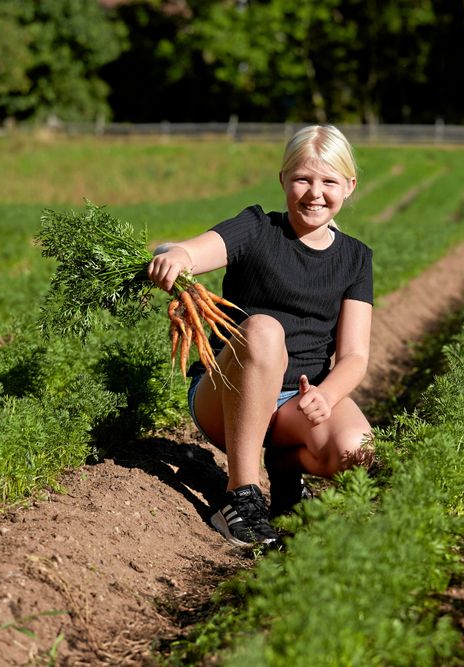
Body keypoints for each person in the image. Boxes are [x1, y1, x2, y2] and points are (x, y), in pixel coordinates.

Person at [147, 125, 374, 548]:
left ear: (349, 185)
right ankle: (240, 496)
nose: (315, 193)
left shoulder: (356, 258)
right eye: (303, 179)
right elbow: (195, 251)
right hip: (225, 394)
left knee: (355, 450)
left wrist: (325, 395)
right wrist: (176, 255)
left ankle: (284, 470)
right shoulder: (256, 229)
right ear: (284, 179)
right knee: (266, 331)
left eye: (329, 182)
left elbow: (355, 355)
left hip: (293, 404)